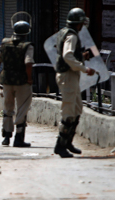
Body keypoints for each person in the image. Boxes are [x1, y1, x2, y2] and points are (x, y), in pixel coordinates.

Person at [53, 8, 95, 158]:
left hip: (69, 75)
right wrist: (84, 68)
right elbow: (67, 55)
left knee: (77, 108)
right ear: (78, 23)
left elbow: (68, 54)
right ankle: (60, 145)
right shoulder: (71, 36)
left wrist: (81, 57)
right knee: (69, 111)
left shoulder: (64, 32)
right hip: (68, 76)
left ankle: (68, 142)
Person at [0, 19, 34, 147]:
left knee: (7, 107)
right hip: (22, 82)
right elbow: (28, 63)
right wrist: (29, 78)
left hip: (7, 81)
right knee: (22, 109)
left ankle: (6, 137)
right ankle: (19, 138)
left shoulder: (4, 43)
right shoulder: (28, 46)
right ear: (26, 33)